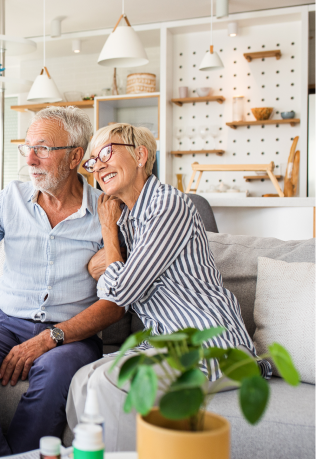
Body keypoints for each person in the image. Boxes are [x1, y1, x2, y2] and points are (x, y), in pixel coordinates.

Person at [0, 107, 127, 458]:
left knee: (56, 371)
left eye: (43, 148)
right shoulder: (11, 200)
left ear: (75, 157)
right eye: (27, 148)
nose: (30, 159)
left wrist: (52, 337)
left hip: (72, 332)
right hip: (5, 324)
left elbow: (116, 302)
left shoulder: (106, 211)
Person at [66, 123, 270, 451]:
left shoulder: (167, 206)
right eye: (92, 162)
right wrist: (107, 256)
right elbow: (104, 275)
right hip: (167, 345)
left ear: (140, 155)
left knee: (107, 385)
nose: (98, 166)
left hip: (215, 348)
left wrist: (107, 233)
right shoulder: (129, 220)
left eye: (106, 153)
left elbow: (119, 293)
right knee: (81, 380)